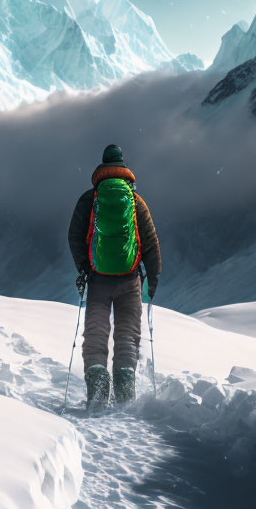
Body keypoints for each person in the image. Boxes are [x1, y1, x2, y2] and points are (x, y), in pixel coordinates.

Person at [67, 143, 161, 412]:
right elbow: (151, 242)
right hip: (130, 280)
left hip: (98, 280)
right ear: (123, 166)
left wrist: (84, 268)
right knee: (127, 336)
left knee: (96, 335)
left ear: (102, 166)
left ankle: (96, 394)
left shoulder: (89, 199)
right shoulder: (135, 200)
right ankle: (124, 397)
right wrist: (152, 277)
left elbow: (74, 236)